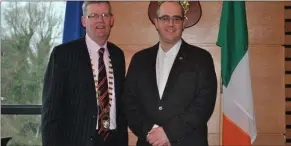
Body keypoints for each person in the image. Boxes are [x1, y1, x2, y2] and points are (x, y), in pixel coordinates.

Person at [122, 1, 217, 146]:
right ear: (156, 22)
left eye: (176, 18)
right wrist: (152, 133)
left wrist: (168, 133)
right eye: (165, 18)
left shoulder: (201, 58)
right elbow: (128, 102)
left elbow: (204, 105)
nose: (170, 24)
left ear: (183, 22)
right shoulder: (140, 59)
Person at [41, 1, 128, 146]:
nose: (100, 20)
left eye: (105, 15)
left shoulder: (118, 55)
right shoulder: (63, 54)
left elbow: (120, 107)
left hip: (113, 140)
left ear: (112, 20)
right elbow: (51, 111)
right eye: (93, 15)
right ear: (83, 21)